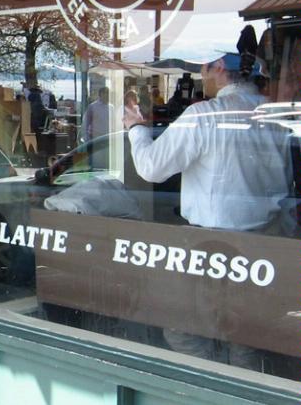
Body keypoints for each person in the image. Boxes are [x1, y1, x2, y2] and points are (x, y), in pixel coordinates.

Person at [123, 46, 291, 371]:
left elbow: (151, 167)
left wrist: (135, 128)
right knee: (244, 335)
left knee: (179, 326)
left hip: (214, 248)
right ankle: (240, 386)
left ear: (218, 67)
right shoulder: (273, 115)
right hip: (264, 245)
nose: (202, 76)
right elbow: (284, 183)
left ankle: (212, 385)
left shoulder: (205, 115)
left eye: (204, 68)